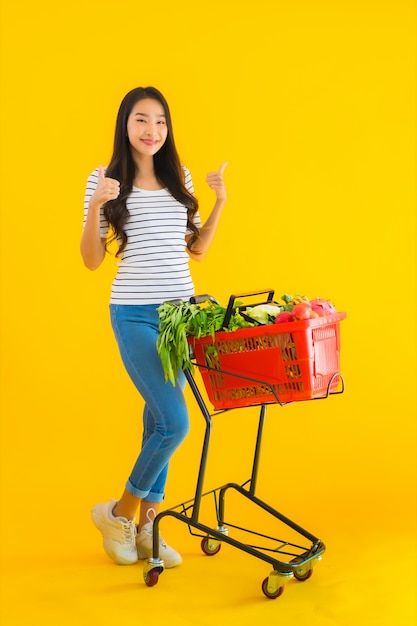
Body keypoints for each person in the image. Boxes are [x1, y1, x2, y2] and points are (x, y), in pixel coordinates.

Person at [80, 86, 227, 568]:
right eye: (142, 120)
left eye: (161, 121)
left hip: (179, 316)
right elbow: (91, 260)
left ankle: (147, 524)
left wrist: (219, 201)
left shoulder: (177, 177)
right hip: (135, 313)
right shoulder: (104, 181)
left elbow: (197, 250)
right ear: (125, 125)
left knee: (155, 421)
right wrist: (97, 206)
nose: (152, 131)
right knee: (175, 421)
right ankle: (119, 511)